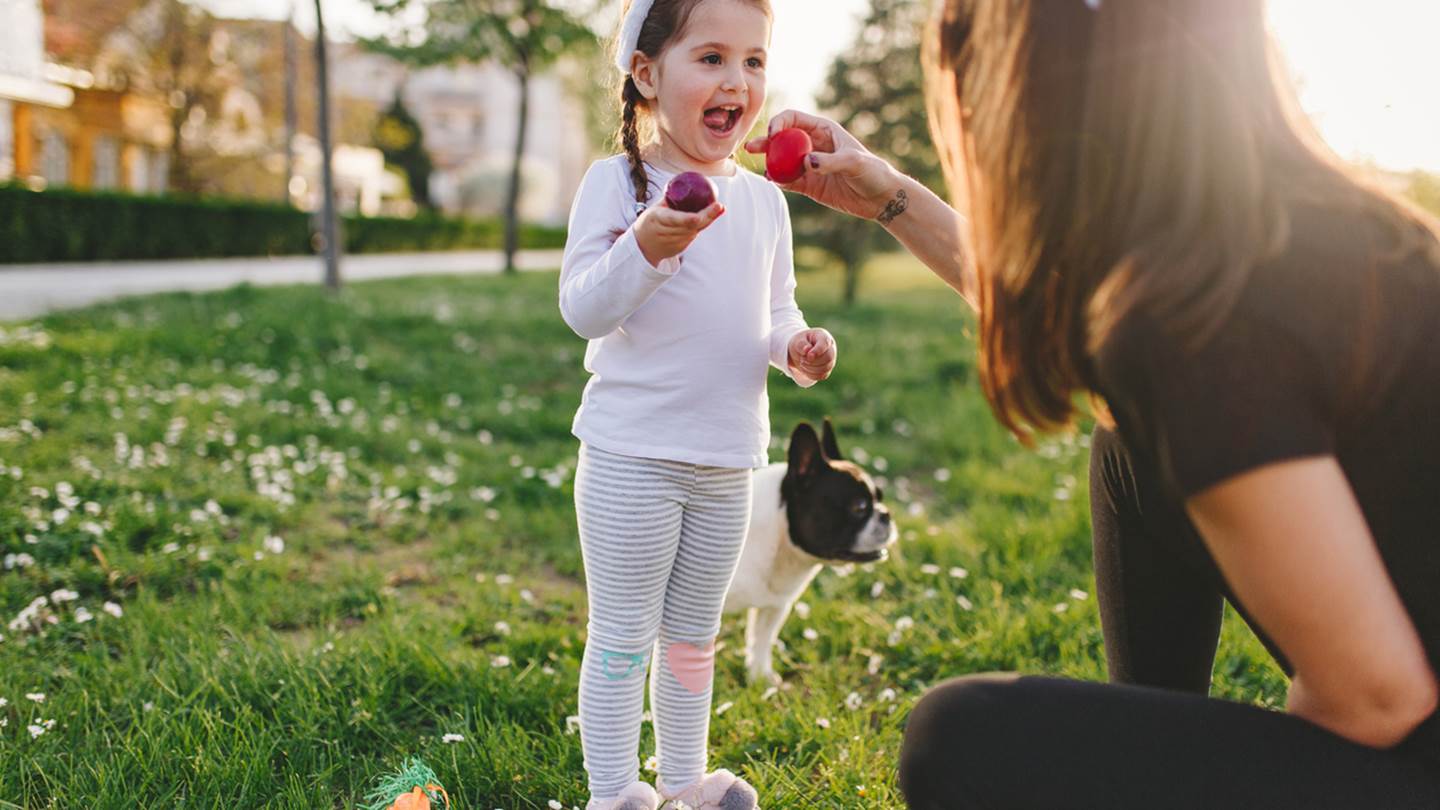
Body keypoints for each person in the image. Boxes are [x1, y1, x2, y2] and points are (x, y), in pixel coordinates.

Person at [744, 0, 1440, 805]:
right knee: (1128, 448)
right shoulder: (1310, 235)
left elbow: (1376, 698)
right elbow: (1067, 318)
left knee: (960, 738)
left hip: (1409, 730)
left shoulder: (1202, 328)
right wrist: (892, 197)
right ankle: (1157, 722)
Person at [557, 0, 837, 807]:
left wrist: (798, 349)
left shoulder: (763, 203)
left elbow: (775, 312)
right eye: (711, 58)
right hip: (631, 458)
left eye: (753, 61)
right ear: (646, 74)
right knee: (620, 636)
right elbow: (584, 308)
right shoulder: (615, 185)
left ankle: (683, 783)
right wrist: (647, 245)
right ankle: (613, 791)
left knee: (691, 636)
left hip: (726, 464)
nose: (737, 81)